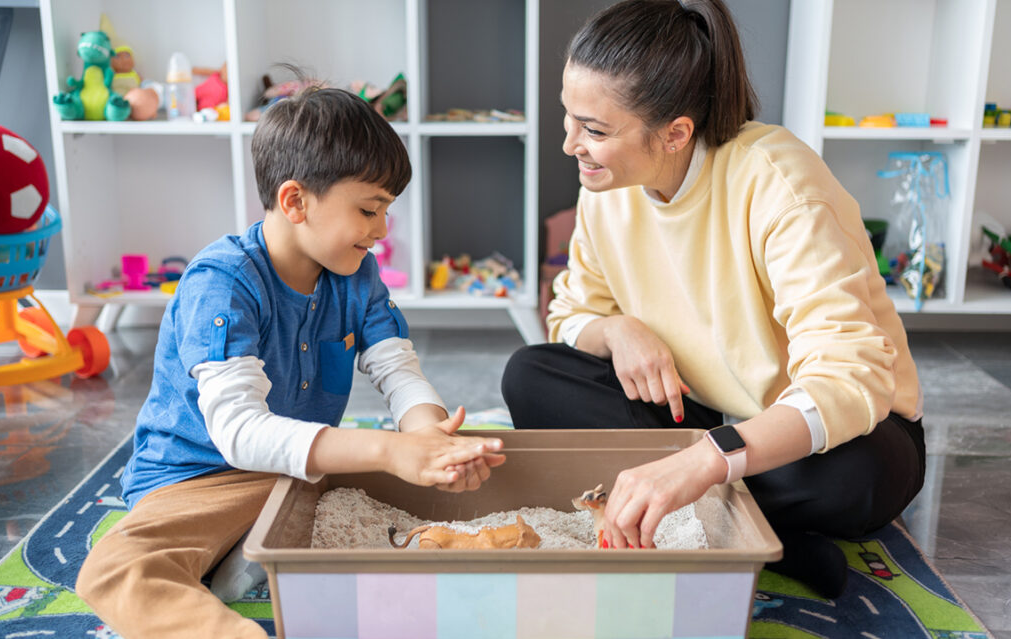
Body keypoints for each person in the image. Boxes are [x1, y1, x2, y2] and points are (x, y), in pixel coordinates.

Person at [502, 0, 925, 598]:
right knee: (531, 374)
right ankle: (753, 530)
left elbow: (851, 379)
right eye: (569, 118)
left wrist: (705, 459)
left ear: (676, 132)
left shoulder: (780, 185)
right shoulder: (606, 185)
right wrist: (619, 330)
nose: (571, 143)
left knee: (856, 475)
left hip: (819, 434)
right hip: (695, 414)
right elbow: (571, 312)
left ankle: (708, 512)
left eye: (595, 130)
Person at [76, 86, 506, 639]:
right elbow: (238, 434)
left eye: (386, 212)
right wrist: (391, 449)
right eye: (369, 209)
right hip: (201, 479)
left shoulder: (356, 275)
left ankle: (252, 550)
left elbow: (397, 368)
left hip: (295, 470)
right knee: (117, 568)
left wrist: (430, 442)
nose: (381, 230)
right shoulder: (224, 283)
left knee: (380, 472)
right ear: (295, 201)